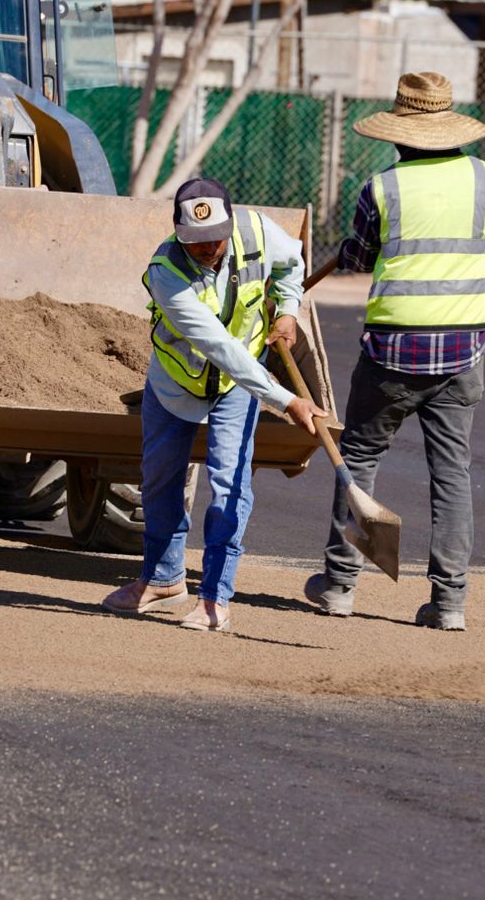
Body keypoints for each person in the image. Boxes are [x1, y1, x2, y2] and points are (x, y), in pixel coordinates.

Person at [303, 72, 485, 632]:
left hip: (392, 351)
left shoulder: (382, 188)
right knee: (452, 472)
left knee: (359, 458)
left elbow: (363, 256)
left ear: (398, 132)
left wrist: (349, 250)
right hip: (464, 348)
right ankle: (450, 603)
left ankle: (339, 585)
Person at [103, 178, 326, 633]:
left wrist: (287, 309)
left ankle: (214, 599)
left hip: (237, 387)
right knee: (159, 480)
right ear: (178, 231)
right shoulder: (166, 272)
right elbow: (219, 347)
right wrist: (287, 401)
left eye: (216, 238)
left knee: (230, 486)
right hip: (175, 382)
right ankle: (162, 580)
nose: (208, 248)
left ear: (230, 223)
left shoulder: (258, 232)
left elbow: (292, 263)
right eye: (197, 240)